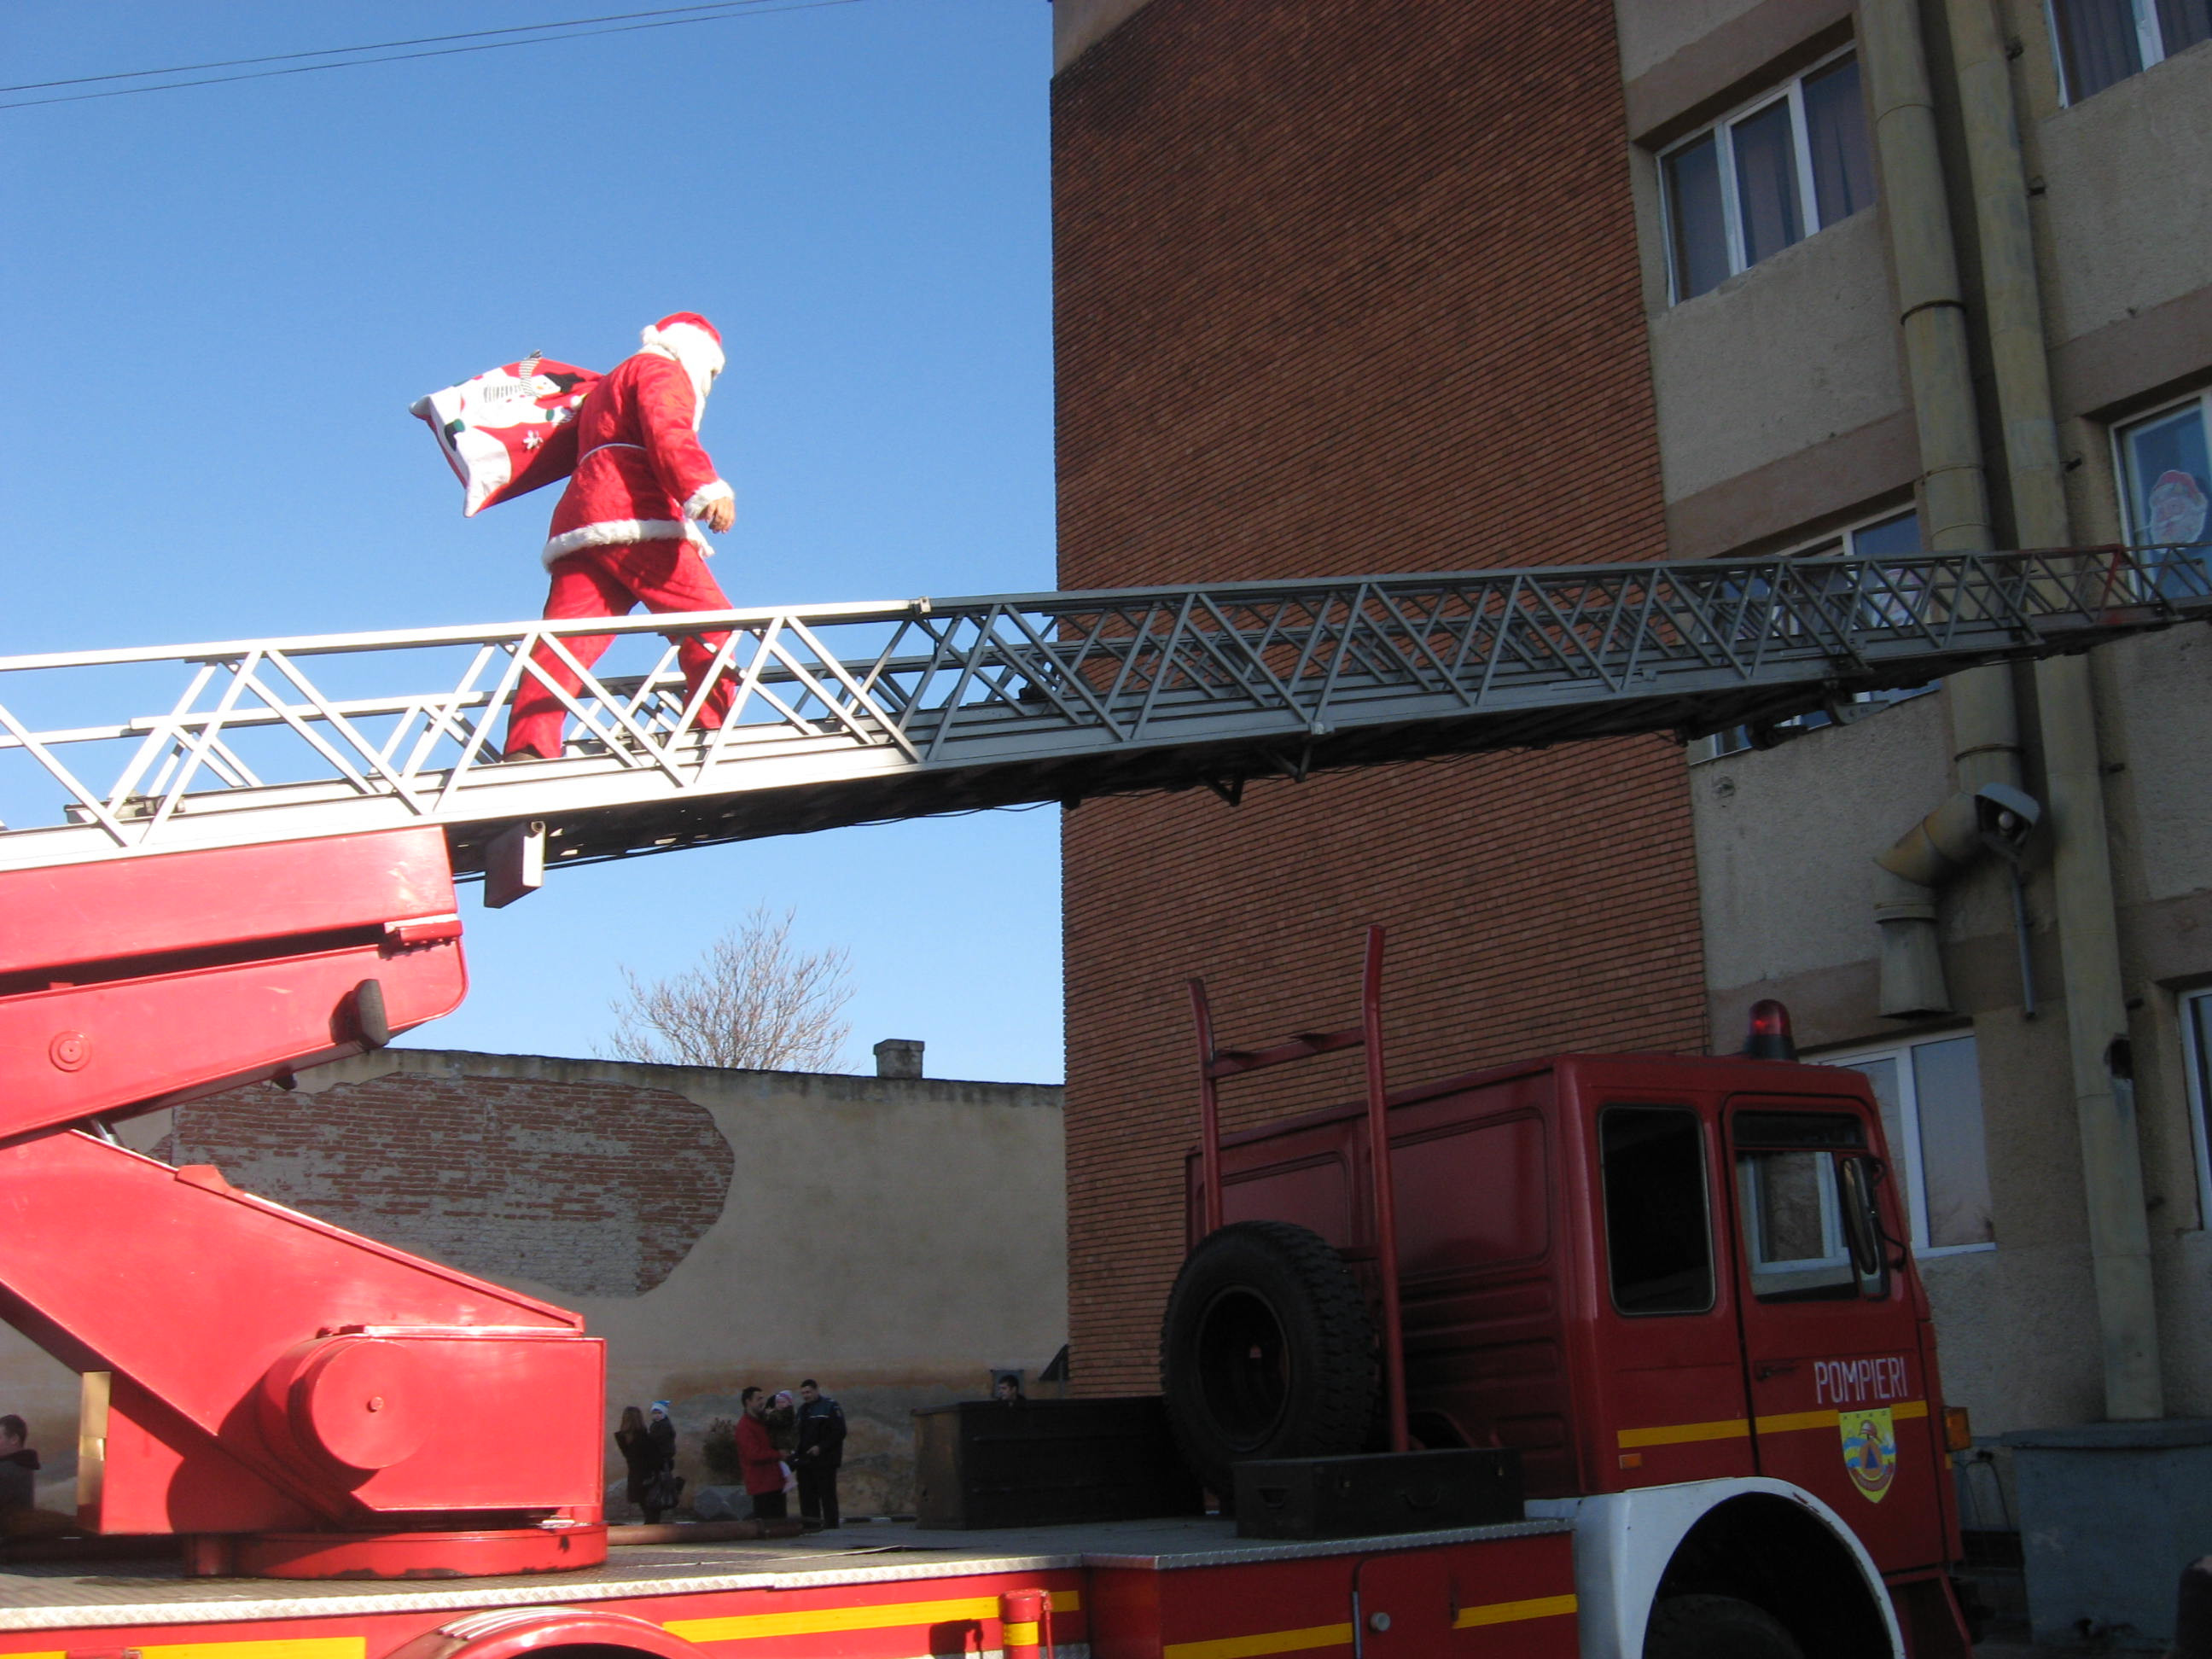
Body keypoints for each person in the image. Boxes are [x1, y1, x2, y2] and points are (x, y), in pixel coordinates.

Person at [502, 311, 741, 761]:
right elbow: (667, 430)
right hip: (635, 509)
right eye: (710, 370)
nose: (708, 380)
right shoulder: (662, 371)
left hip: (582, 516)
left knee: (566, 641)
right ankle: (708, 728)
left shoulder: (606, 386)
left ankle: (529, 746)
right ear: (695, 352)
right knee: (710, 623)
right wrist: (705, 488)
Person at [794, 1378, 847, 1531]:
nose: (806, 1395)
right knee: (807, 1495)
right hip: (806, 1461)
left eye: (808, 1392)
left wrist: (821, 1447)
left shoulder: (830, 1406)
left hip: (825, 1460)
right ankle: (811, 1524)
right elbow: (797, 1434)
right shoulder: (803, 1410)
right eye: (803, 1393)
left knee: (827, 1494)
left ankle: (831, 1525)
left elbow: (839, 1432)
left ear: (817, 1390)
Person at [614, 1403, 678, 1524]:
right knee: (653, 1513)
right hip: (651, 1478)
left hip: (635, 1477)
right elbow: (655, 1458)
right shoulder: (645, 1438)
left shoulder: (622, 1438)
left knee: (646, 1510)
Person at [734, 1387, 786, 1521]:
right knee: (769, 1528)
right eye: (759, 1399)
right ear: (748, 1402)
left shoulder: (763, 1422)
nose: (763, 1402)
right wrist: (778, 1454)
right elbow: (753, 1454)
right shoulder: (745, 1427)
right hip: (762, 1486)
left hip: (775, 1483)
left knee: (780, 1528)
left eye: (763, 1398)